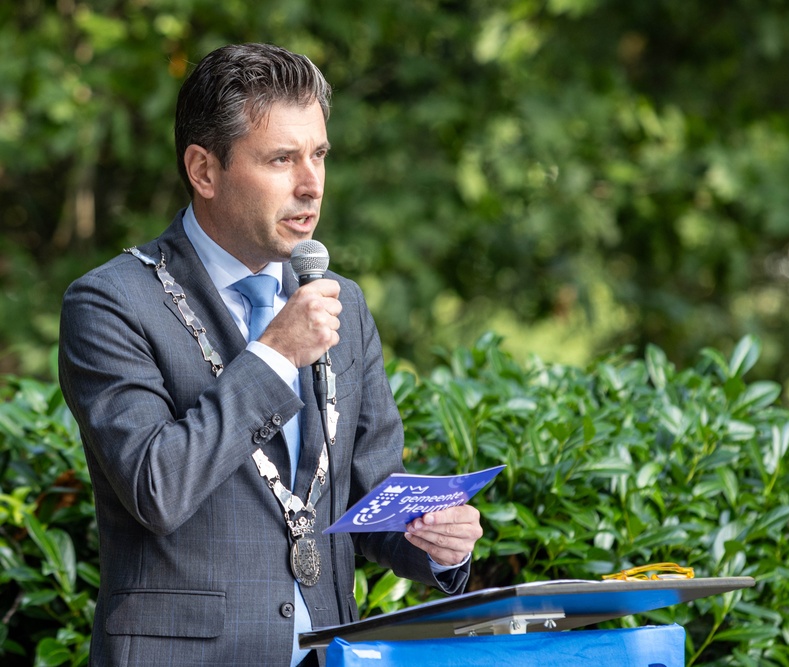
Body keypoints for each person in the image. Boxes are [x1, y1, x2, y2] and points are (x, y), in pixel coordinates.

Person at [58, 42, 482, 667]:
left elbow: (371, 494)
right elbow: (157, 488)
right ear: (204, 171)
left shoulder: (342, 304)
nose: (311, 185)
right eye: (282, 159)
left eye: (318, 155)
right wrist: (275, 353)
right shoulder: (111, 303)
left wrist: (440, 545)